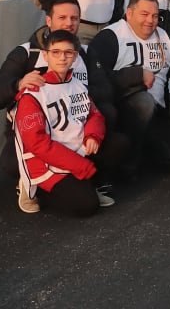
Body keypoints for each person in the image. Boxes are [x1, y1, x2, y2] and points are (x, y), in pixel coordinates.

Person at [0, 0, 101, 190]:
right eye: (62, 17)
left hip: (75, 125)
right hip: (36, 131)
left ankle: (88, 180)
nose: (68, 23)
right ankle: (39, 183)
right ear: (49, 21)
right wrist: (17, 84)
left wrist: (74, 92)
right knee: (12, 164)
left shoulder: (86, 53)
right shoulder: (27, 53)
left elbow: (104, 92)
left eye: (74, 18)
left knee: (112, 132)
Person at [14, 29, 127, 216]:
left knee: (119, 143)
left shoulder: (77, 84)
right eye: (56, 52)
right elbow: (38, 144)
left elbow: (94, 115)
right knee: (86, 206)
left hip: (76, 151)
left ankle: (86, 183)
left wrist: (93, 136)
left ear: (75, 57)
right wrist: (82, 167)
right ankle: (34, 188)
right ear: (45, 55)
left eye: (68, 53)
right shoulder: (33, 93)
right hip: (46, 164)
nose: (62, 58)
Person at [87, 0, 170, 173]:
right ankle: (128, 162)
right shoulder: (111, 36)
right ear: (129, 14)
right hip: (124, 109)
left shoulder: (163, 36)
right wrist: (136, 74)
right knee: (143, 102)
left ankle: (147, 152)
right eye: (144, 14)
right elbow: (97, 77)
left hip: (158, 110)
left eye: (155, 16)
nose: (150, 20)